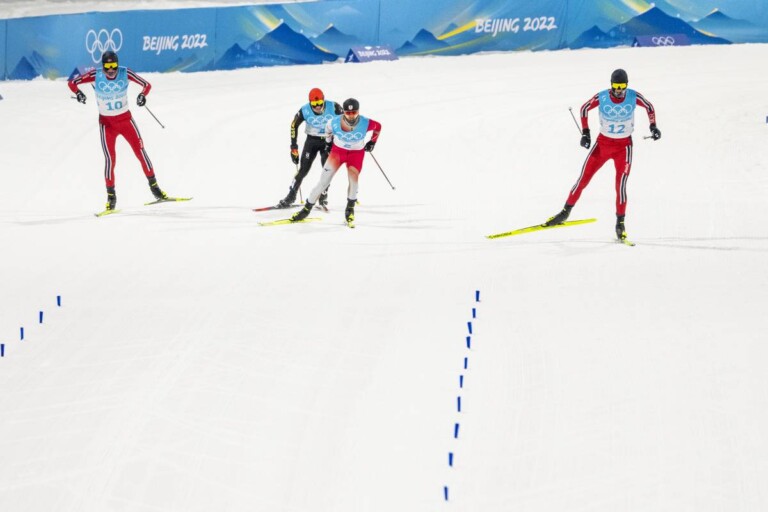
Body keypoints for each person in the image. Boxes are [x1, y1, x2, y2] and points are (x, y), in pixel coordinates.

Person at [544, 68, 661, 240]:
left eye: (623, 86)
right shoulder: (603, 97)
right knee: (583, 179)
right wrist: (585, 133)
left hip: (624, 147)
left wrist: (653, 126)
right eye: (616, 86)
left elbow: (649, 107)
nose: (620, 90)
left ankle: (620, 223)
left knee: (620, 186)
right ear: (611, 85)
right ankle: (565, 212)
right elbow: (584, 108)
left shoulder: (633, 96)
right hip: (602, 145)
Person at [68, 50, 167, 211]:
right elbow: (72, 83)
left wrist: (142, 96)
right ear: (103, 66)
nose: (111, 70)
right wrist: (78, 93)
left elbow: (146, 85)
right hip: (107, 124)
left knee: (140, 152)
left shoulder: (124, 72)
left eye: (114, 66)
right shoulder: (96, 74)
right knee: (110, 160)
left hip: (125, 120)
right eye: (107, 67)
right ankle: (111, 198)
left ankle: (156, 189)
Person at [290, 98, 381, 226]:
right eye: (348, 113)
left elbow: (378, 127)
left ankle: (350, 209)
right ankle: (306, 210)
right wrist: (328, 143)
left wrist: (372, 142)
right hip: (338, 152)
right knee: (323, 182)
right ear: (343, 112)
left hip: (356, 154)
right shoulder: (334, 122)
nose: (351, 116)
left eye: (354, 113)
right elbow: (327, 130)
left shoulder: (366, 122)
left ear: (358, 111)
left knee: (353, 181)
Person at [276, 88, 343, 209]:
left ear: (323, 100)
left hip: (328, 141)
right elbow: (293, 125)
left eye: (319, 103)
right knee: (303, 170)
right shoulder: (305, 110)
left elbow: (346, 121)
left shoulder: (334, 107)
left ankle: (323, 195)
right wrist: (293, 147)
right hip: (312, 141)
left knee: (327, 170)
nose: (317, 107)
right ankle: (291, 196)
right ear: (310, 103)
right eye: (314, 104)